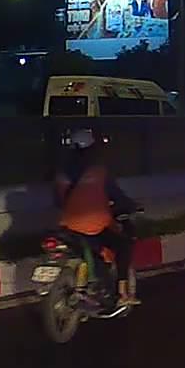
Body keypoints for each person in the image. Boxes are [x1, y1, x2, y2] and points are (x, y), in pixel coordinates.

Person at [54, 128, 139, 309]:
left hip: (67, 224)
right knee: (123, 245)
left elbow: (59, 200)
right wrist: (131, 205)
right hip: (93, 225)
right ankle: (121, 294)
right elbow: (116, 194)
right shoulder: (99, 170)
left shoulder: (63, 171)